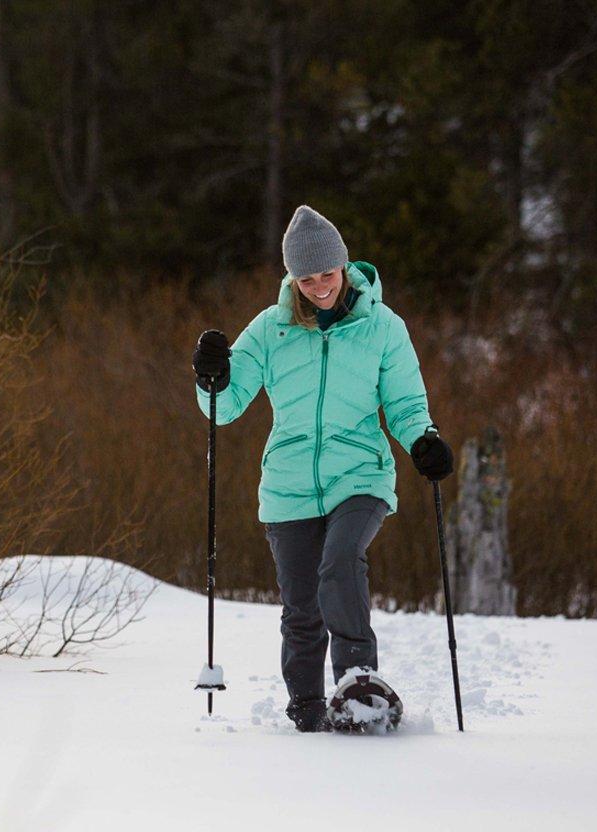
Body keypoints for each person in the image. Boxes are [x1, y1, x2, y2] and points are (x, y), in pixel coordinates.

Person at [191, 205, 452, 733]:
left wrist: (423, 441)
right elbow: (226, 403)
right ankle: (308, 708)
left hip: (361, 474)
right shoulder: (271, 329)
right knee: (302, 607)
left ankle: (358, 683)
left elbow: (404, 404)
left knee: (339, 563)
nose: (318, 287)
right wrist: (211, 376)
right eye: (305, 278)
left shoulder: (382, 327)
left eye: (326, 274)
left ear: (345, 265)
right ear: (292, 277)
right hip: (288, 485)